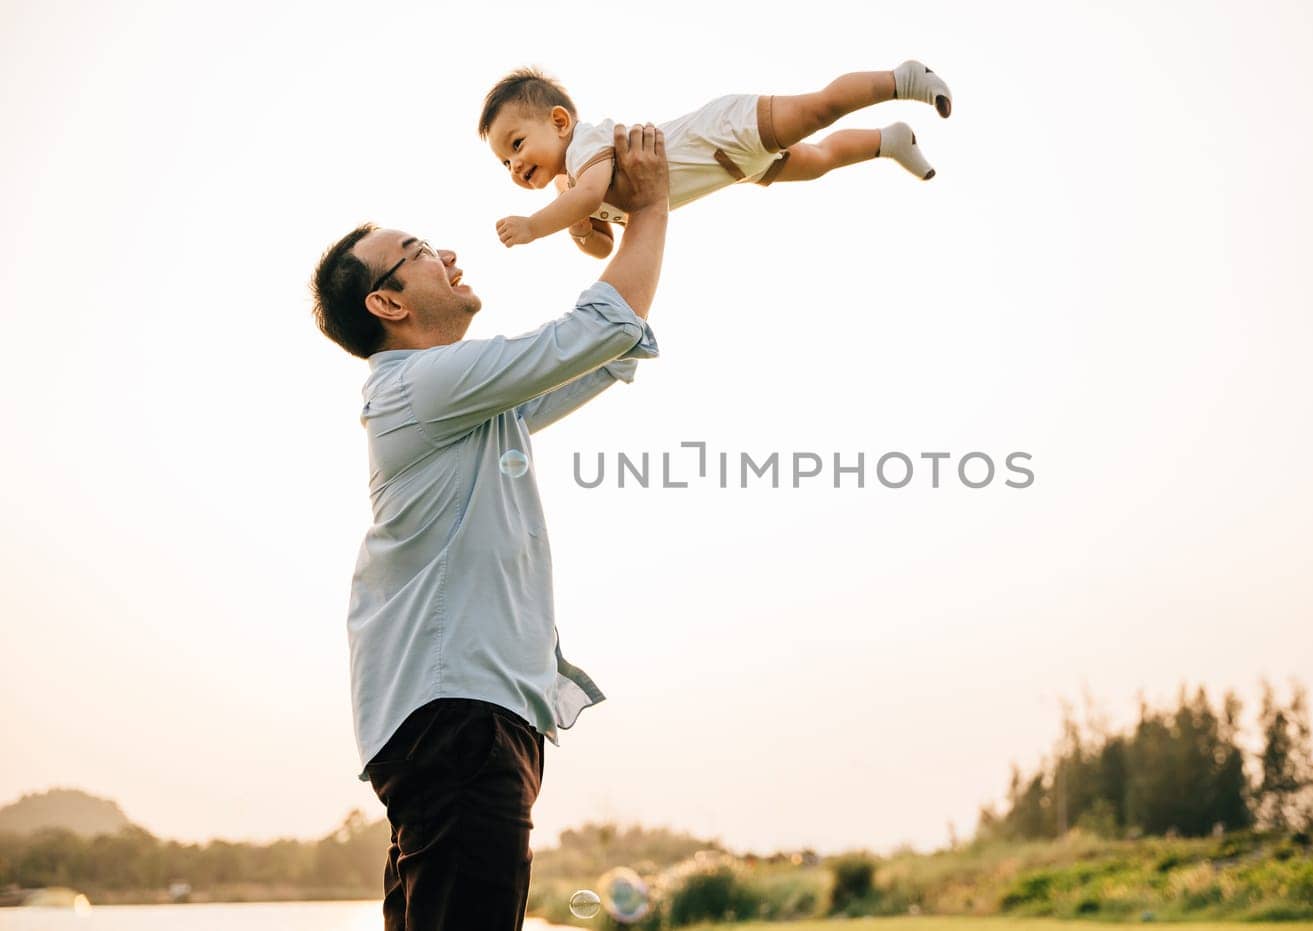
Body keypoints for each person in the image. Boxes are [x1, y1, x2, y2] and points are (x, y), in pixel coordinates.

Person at [308, 123, 670, 931]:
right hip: (458, 722)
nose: (450, 255)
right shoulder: (421, 387)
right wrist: (648, 209)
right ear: (389, 302)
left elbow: (604, 353)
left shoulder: (460, 403)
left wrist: (635, 216)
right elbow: (599, 331)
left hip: (462, 720)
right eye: (422, 249)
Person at [482, 60, 953, 256]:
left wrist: (533, 226)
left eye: (517, 144)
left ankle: (902, 79)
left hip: (722, 131)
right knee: (820, 160)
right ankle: (888, 140)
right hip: (736, 168)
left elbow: (588, 195)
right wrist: (581, 230)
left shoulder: (585, 146)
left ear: (560, 122)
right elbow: (605, 249)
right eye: (505, 163)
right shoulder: (570, 189)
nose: (514, 166)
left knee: (818, 109)